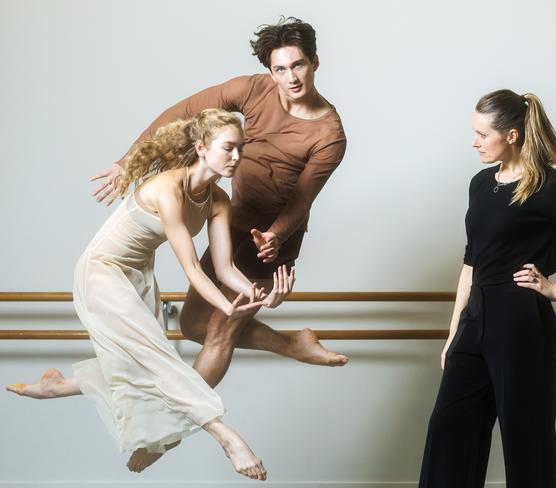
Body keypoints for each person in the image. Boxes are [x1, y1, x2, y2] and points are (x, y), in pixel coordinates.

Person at [7, 109, 297, 481]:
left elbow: (224, 269)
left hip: (137, 275)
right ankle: (225, 437)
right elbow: (192, 268)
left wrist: (261, 294)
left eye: (241, 149)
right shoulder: (167, 190)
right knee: (156, 359)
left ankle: (58, 386)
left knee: (139, 363)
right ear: (201, 147)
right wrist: (229, 307)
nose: (237, 158)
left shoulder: (218, 200)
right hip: (101, 272)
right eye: (228, 148)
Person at [89, 17, 348, 387]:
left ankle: (178, 418)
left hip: (272, 244)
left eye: (298, 65)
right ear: (270, 71)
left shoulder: (329, 134)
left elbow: (302, 199)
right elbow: (184, 111)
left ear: (314, 63)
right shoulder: (252, 89)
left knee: (220, 333)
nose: (291, 77)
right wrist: (128, 160)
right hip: (232, 222)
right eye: (280, 68)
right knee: (193, 324)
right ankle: (293, 343)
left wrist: (275, 235)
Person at [419, 90, 556, 487]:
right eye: (474, 132)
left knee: (526, 439)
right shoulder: (480, 184)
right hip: (475, 320)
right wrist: (452, 335)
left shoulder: (547, 185)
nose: (474, 141)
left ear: (511, 135)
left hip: (521, 324)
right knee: (449, 433)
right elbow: (470, 264)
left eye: (482, 133)